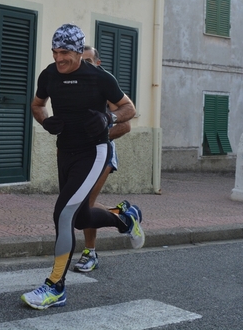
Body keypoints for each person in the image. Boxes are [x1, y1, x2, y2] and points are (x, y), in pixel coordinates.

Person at [21, 24, 144, 310]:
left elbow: (129, 109)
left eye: (64, 52)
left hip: (94, 151)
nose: (58, 57)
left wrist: (108, 120)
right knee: (79, 218)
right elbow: (37, 105)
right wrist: (44, 120)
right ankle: (125, 218)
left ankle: (55, 287)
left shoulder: (99, 78)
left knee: (63, 214)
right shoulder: (48, 75)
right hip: (65, 150)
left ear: (78, 52)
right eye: (54, 51)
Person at [72, 45, 132, 273]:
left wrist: (98, 134)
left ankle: (90, 253)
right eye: (81, 61)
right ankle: (122, 214)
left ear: (98, 63)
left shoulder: (104, 88)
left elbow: (126, 124)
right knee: (78, 204)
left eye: (89, 61)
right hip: (79, 153)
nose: (85, 66)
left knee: (85, 205)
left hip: (103, 152)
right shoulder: (73, 88)